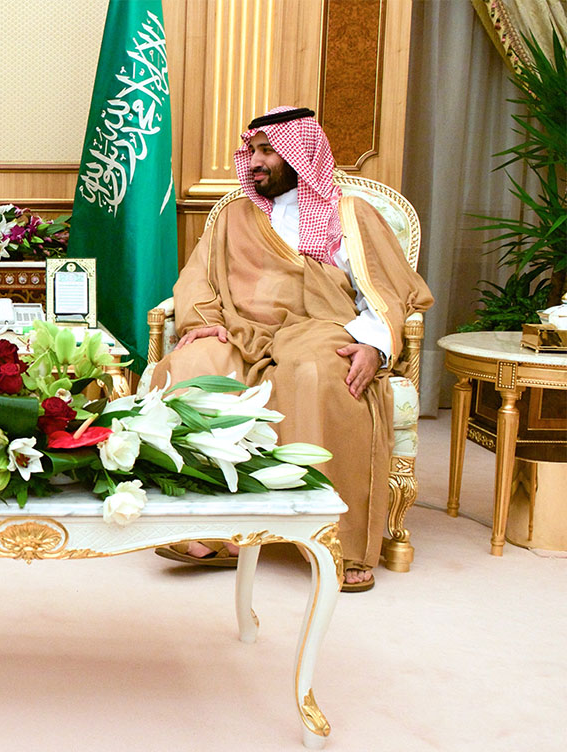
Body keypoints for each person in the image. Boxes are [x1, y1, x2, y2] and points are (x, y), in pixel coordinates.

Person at [149, 106, 433, 592]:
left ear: (300, 155)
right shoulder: (233, 216)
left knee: (312, 373)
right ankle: (208, 527)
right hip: (241, 330)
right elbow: (198, 278)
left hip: (320, 327)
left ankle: (335, 539)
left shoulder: (350, 214)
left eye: (267, 152)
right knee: (191, 368)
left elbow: (386, 292)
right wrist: (204, 322)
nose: (255, 162)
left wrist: (373, 347)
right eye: (252, 152)